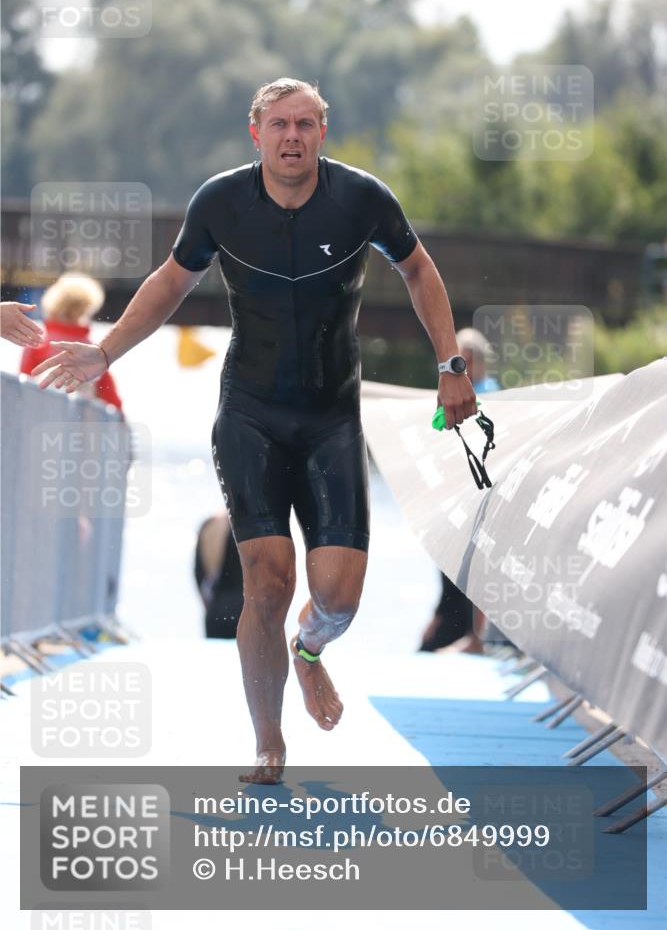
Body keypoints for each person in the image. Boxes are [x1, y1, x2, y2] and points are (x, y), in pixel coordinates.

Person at [30, 77, 478, 783]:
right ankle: (268, 742)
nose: (292, 136)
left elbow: (419, 269)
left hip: (331, 417)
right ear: (256, 133)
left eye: (305, 124)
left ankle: (309, 650)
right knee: (266, 583)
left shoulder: (361, 199)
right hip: (250, 415)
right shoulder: (221, 202)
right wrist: (105, 351)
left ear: (322, 133)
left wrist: (450, 363)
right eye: (279, 124)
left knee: (338, 598)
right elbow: (170, 283)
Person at [420, 327, 499, 655]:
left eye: (465, 363)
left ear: (479, 364)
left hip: (483, 496)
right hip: (458, 494)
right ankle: (448, 624)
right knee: (450, 563)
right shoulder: (452, 392)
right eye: (457, 363)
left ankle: (478, 638)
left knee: (477, 565)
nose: (460, 370)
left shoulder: (491, 394)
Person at [20, 273, 124, 411]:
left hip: (42, 413)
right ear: (87, 310)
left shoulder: (38, 344)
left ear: (53, 306)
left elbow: (22, 387)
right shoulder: (93, 351)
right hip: (79, 419)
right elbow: (111, 399)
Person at [194, 510, 244, 638]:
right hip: (245, 611)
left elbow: (199, 576)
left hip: (214, 612)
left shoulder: (208, 526)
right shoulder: (246, 526)